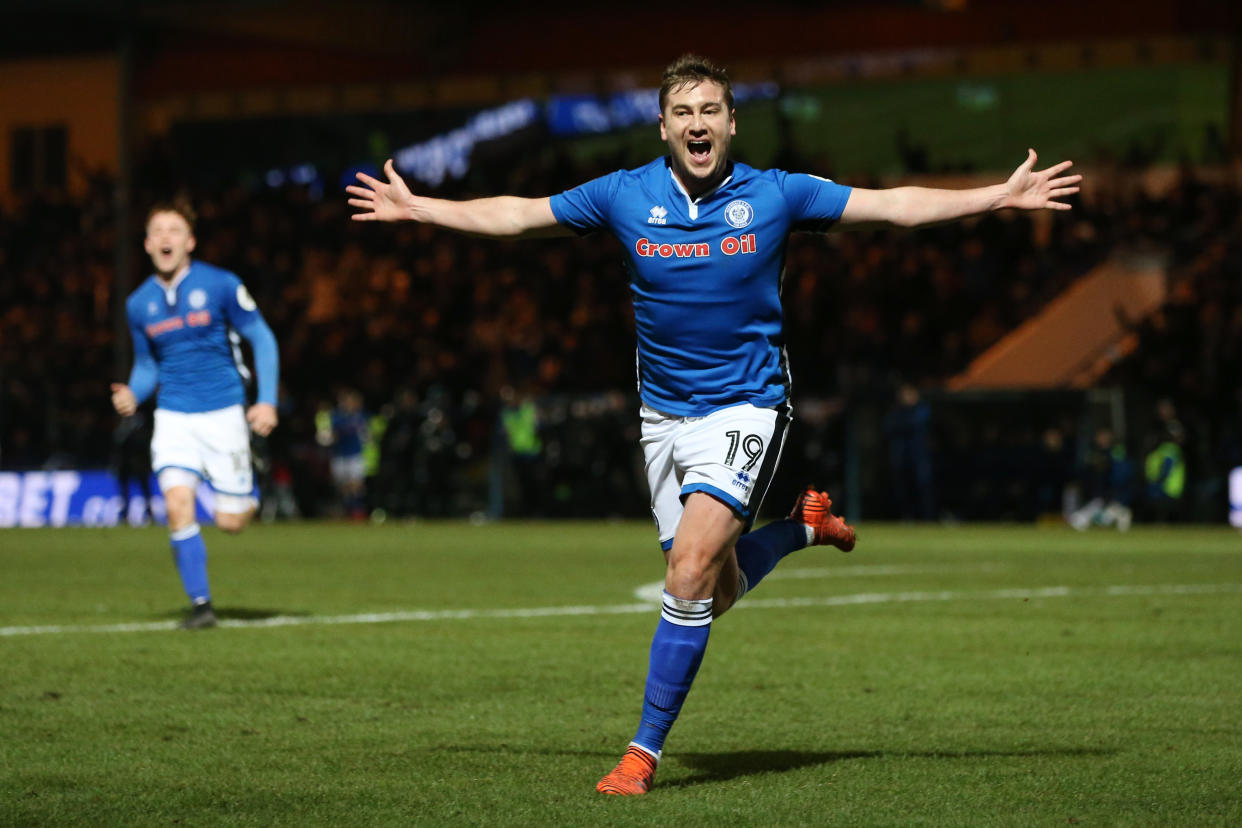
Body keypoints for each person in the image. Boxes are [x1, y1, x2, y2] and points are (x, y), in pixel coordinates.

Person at [346, 54, 1080, 794]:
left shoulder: (778, 195)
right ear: (664, 127)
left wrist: (996, 196)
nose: (698, 124)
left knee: (690, 570)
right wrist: (422, 209)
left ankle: (641, 755)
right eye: (684, 113)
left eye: (711, 111)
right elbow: (519, 215)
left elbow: (892, 204)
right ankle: (802, 528)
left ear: (731, 122)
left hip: (747, 407)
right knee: (715, 591)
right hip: (663, 418)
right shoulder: (623, 194)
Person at [111, 199, 279, 630]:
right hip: (174, 417)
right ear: (148, 244)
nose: (166, 238)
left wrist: (267, 400)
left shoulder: (221, 285)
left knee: (231, 522)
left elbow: (261, 338)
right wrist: (134, 392)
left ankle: (250, 482)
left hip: (224, 412)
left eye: (175, 230)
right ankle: (202, 606)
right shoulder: (138, 304)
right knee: (177, 501)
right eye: (158, 231)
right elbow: (148, 365)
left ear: (190, 241)